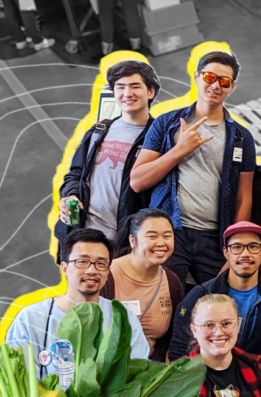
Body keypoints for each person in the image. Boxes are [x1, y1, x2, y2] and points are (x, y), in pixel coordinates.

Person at [132, 51, 257, 285]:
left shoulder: (242, 137)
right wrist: (179, 150)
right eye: (210, 77)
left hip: (214, 238)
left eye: (224, 81)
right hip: (168, 233)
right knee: (165, 303)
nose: (216, 85)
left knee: (216, 306)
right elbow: (137, 181)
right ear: (197, 77)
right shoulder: (166, 123)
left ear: (232, 87)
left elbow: (244, 197)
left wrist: (236, 246)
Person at [6, 229, 150, 378]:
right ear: (64, 268)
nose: (92, 270)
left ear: (108, 271)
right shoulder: (31, 319)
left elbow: (137, 374)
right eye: (82, 261)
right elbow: (17, 378)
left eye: (101, 263)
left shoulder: (123, 318)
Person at [57, 60, 159, 252]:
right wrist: (69, 195)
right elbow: (75, 173)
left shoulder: (157, 138)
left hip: (124, 243)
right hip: (84, 235)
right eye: (120, 87)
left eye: (135, 86)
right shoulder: (99, 130)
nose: (127, 93)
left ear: (150, 92)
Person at [169, 221, 261, 372]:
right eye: (237, 247)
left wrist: (244, 371)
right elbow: (179, 348)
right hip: (206, 375)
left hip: (256, 373)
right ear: (226, 253)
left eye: (253, 247)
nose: (245, 254)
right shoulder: (201, 294)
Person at [100, 208, 184, 361]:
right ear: (133, 240)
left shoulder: (172, 282)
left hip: (150, 372)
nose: (161, 243)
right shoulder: (106, 276)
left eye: (167, 236)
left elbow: (173, 337)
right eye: (152, 236)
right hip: (107, 369)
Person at [189, 294, 261, 397]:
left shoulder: (257, 366)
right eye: (209, 325)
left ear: (238, 325)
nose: (218, 333)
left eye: (226, 323)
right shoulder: (179, 376)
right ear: (194, 330)